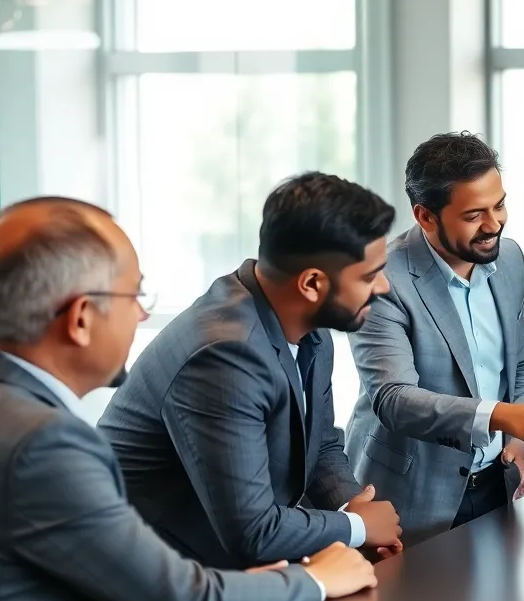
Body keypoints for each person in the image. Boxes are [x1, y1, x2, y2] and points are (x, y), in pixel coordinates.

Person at [0, 198, 377, 601]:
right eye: (134, 294)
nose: (141, 313)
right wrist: (318, 577)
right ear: (82, 318)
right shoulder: (42, 444)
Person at [98, 173, 402, 569]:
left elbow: (321, 444)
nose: (383, 287)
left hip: (226, 560)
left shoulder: (308, 329)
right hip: (151, 576)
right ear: (311, 283)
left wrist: (351, 507)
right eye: (368, 276)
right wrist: (355, 527)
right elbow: (253, 532)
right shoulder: (226, 354)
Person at [344, 132, 524, 545]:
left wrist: (518, 437)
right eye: (474, 215)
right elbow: (394, 399)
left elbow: (521, 362)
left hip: (497, 486)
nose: (494, 225)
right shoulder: (384, 278)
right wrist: (501, 416)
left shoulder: (509, 260)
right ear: (425, 216)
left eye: (500, 205)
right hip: (407, 498)